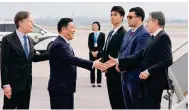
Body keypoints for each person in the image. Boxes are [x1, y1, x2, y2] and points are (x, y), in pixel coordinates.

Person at [106, 11, 173, 109]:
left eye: (148, 21)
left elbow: (167, 60)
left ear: (155, 22)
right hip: (148, 83)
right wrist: (118, 61)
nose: (146, 24)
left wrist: (148, 71)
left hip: (154, 83)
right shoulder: (154, 37)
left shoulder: (163, 37)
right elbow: (140, 54)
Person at [47, 18, 108, 109]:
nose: (74, 30)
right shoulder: (59, 44)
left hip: (65, 87)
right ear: (63, 29)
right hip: (60, 89)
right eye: (72, 27)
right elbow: (72, 59)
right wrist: (92, 64)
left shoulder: (63, 43)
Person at [1, 11, 49, 109]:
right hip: (13, 85)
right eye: (30, 21)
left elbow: (34, 57)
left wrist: (52, 53)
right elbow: (4, 64)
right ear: (21, 22)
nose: (33, 24)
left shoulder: (29, 40)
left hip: (27, 84)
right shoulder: (8, 40)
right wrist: (6, 85)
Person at [117, 7, 152, 109]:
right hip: (125, 76)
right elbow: (121, 51)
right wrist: (119, 64)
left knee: (137, 106)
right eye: (127, 17)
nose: (127, 19)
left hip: (135, 78)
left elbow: (138, 56)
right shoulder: (128, 33)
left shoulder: (144, 34)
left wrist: (121, 62)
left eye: (130, 17)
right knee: (128, 106)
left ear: (139, 18)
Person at [102, 6, 126, 109]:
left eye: (115, 15)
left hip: (117, 74)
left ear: (122, 17)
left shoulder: (124, 34)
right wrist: (103, 63)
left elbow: (122, 53)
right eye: (111, 15)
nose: (112, 17)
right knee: (113, 102)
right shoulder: (111, 33)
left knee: (119, 102)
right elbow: (106, 51)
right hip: (109, 73)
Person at [88, 21, 105, 87]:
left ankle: (98, 82)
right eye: (93, 25)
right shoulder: (90, 34)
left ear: (98, 26)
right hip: (92, 53)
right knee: (92, 67)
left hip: (99, 53)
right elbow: (89, 44)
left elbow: (102, 44)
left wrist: (97, 51)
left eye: (96, 25)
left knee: (99, 67)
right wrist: (92, 51)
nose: (94, 26)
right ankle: (92, 82)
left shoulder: (102, 34)